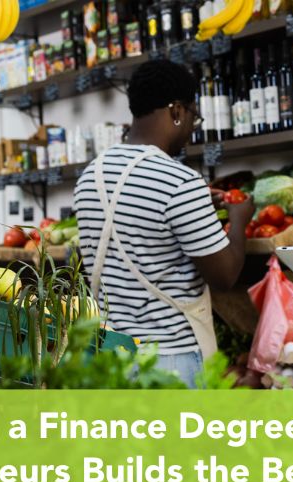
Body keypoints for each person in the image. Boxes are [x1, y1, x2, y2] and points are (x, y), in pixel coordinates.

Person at [73, 60, 254, 387]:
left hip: (109, 355)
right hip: (170, 361)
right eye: (193, 117)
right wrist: (240, 220)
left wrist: (198, 208)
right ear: (177, 111)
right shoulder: (180, 181)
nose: (191, 128)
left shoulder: (91, 176)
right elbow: (225, 276)